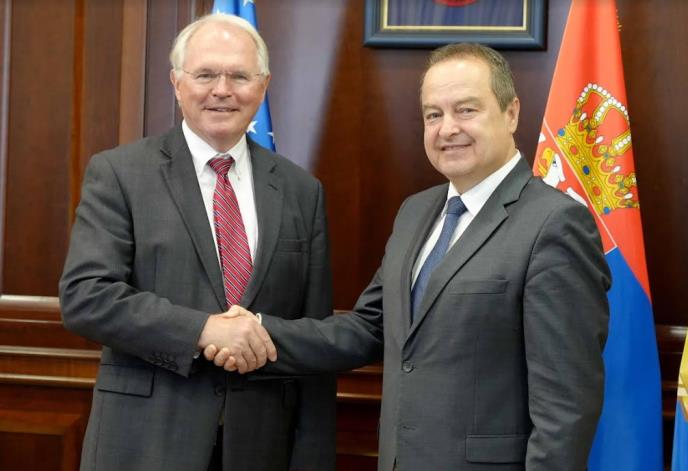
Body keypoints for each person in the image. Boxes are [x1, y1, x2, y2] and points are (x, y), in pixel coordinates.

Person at [208, 43, 611, 470]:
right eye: (433, 115)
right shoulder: (416, 212)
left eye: (466, 110)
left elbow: (566, 408)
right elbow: (370, 328)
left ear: (511, 113)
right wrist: (257, 332)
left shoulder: (555, 224)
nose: (447, 128)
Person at [59, 13, 336, 471]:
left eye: (239, 76)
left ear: (263, 86)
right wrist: (203, 330)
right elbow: (86, 297)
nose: (222, 90)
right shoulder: (120, 174)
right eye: (205, 74)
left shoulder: (301, 191)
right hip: (146, 442)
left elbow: (315, 339)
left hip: (262, 445)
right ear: (176, 83)